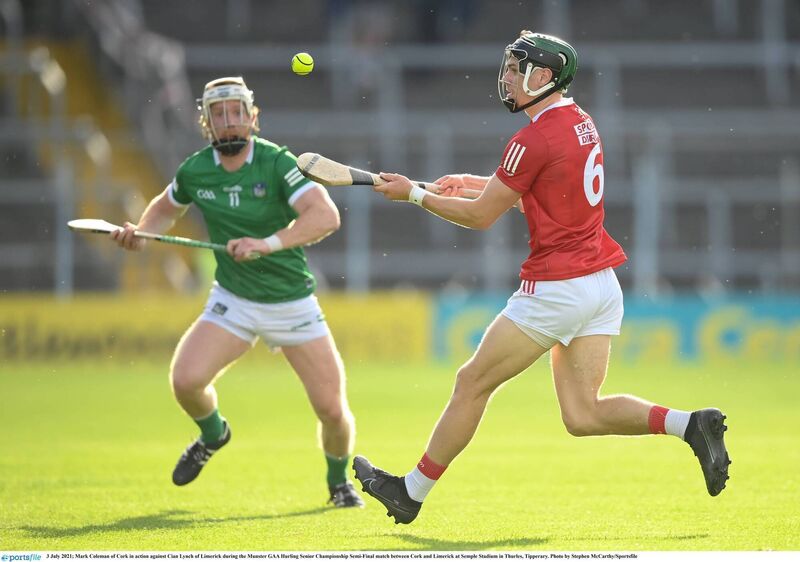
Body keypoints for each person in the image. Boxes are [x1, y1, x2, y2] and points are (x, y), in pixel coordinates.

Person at [352, 32, 730, 524]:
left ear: (544, 76)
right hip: (600, 285)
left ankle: (410, 493)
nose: (506, 77)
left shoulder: (530, 138)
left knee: (471, 382)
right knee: (583, 415)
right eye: (508, 67)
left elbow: (482, 217)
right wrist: (469, 183)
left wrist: (415, 196)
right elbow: (545, 188)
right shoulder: (580, 121)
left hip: (557, 290)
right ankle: (690, 425)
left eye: (516, 69)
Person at [111, 76, 364, 508]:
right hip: (234, 301)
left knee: (332, 411)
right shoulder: (195, 169)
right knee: (186, 381)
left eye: (236, 112)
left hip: (292, 303)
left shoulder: (277, 163)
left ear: (252, 117)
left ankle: (338, 482)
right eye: (218, 114)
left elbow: (325, 216)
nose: (228, 122)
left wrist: (266, 244)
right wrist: (143, 233)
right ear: (206, 122)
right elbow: (165, 207)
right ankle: (214, 434)